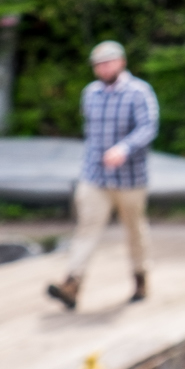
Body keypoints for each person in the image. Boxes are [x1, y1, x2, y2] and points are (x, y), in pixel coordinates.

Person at [47, 40, 160, 310]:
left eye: (107, 62)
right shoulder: (91, 94)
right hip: (95, 176)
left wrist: (124, 148)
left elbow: (148, 128)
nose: (103, 68)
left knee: (134, 230)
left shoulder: (139, 92)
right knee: (86, 229)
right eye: (98, 65)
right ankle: (72, 283)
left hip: (130, 178)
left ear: (121, 62)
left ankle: (140, 277)